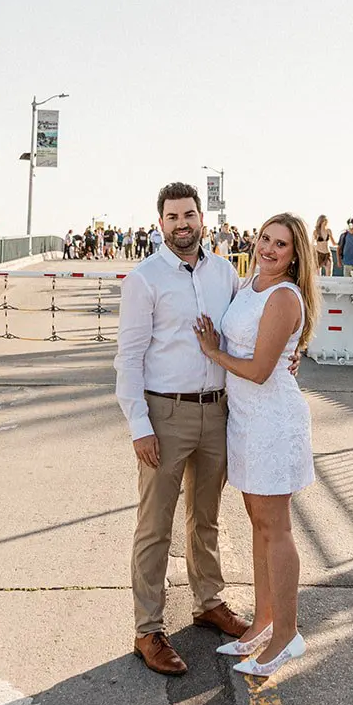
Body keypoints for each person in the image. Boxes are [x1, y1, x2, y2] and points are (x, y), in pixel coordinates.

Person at [114, 183, 250, 676]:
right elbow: (128, 358)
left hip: (215, 412)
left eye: (188, 215)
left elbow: (243, 333)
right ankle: (148, 630)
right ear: (160, 223)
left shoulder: (225, 273)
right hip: (164, 416)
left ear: (201, 219)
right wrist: (139, 426)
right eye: (172, 217)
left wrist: (286, 358)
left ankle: (208, 603)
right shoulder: (145, 279)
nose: (181, 224)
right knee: (155, 526)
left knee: (206, 517)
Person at [194, 212, 319, 678]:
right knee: (257, 522)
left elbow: (261, 369)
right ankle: (263, 622)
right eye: (265, 239)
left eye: (280, 244)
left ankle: (288, 635)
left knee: (276, 526)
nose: (268, 248)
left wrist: (213, 352)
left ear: (294, 255)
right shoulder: (250, 285)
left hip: (273, 420)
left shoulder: (285, 296)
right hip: (244, 419)